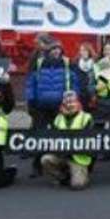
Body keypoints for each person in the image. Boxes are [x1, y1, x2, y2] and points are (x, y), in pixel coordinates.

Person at [24, 41, 79, 177]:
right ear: (48, 51)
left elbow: (74, 82)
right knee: (39, 137)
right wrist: (31, 99)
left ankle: (58, 165)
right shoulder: (39, 63)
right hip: (41, 107)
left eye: (58, 49)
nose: (56, 51)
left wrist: (73, 98)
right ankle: (37, 166)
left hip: (60, 107)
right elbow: (31, 82)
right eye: (53, 49)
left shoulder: (67, 63)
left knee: (59, 137)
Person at [40, 91, 94, 190]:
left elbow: (92, 141)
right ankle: (63, 177)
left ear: (78, 103)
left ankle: (81, 175)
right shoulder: (58, 118)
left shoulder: (86, 117)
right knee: (45, 159)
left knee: (78, 185)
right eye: (67, 102)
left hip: (78, 157)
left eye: (72, 102)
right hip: (61, 155)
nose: (69, 105)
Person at [73, 43, 98, 110]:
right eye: (81, 50)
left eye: (85, 50)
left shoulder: (96, 64)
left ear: (89, 51)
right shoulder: (75, 63)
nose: (83, 52)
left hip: (92, 95)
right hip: (80, 95)